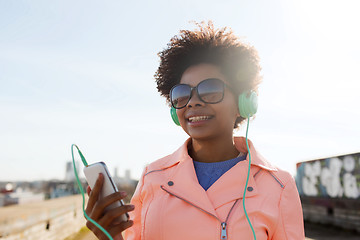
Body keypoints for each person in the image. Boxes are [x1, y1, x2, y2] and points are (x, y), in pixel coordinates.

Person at [85, 21, 305, 240]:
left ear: (243, 102)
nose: (193, 102)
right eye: (182, 93)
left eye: (210, 89)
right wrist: (109, 237)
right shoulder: (152, 176)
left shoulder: (279, 185)